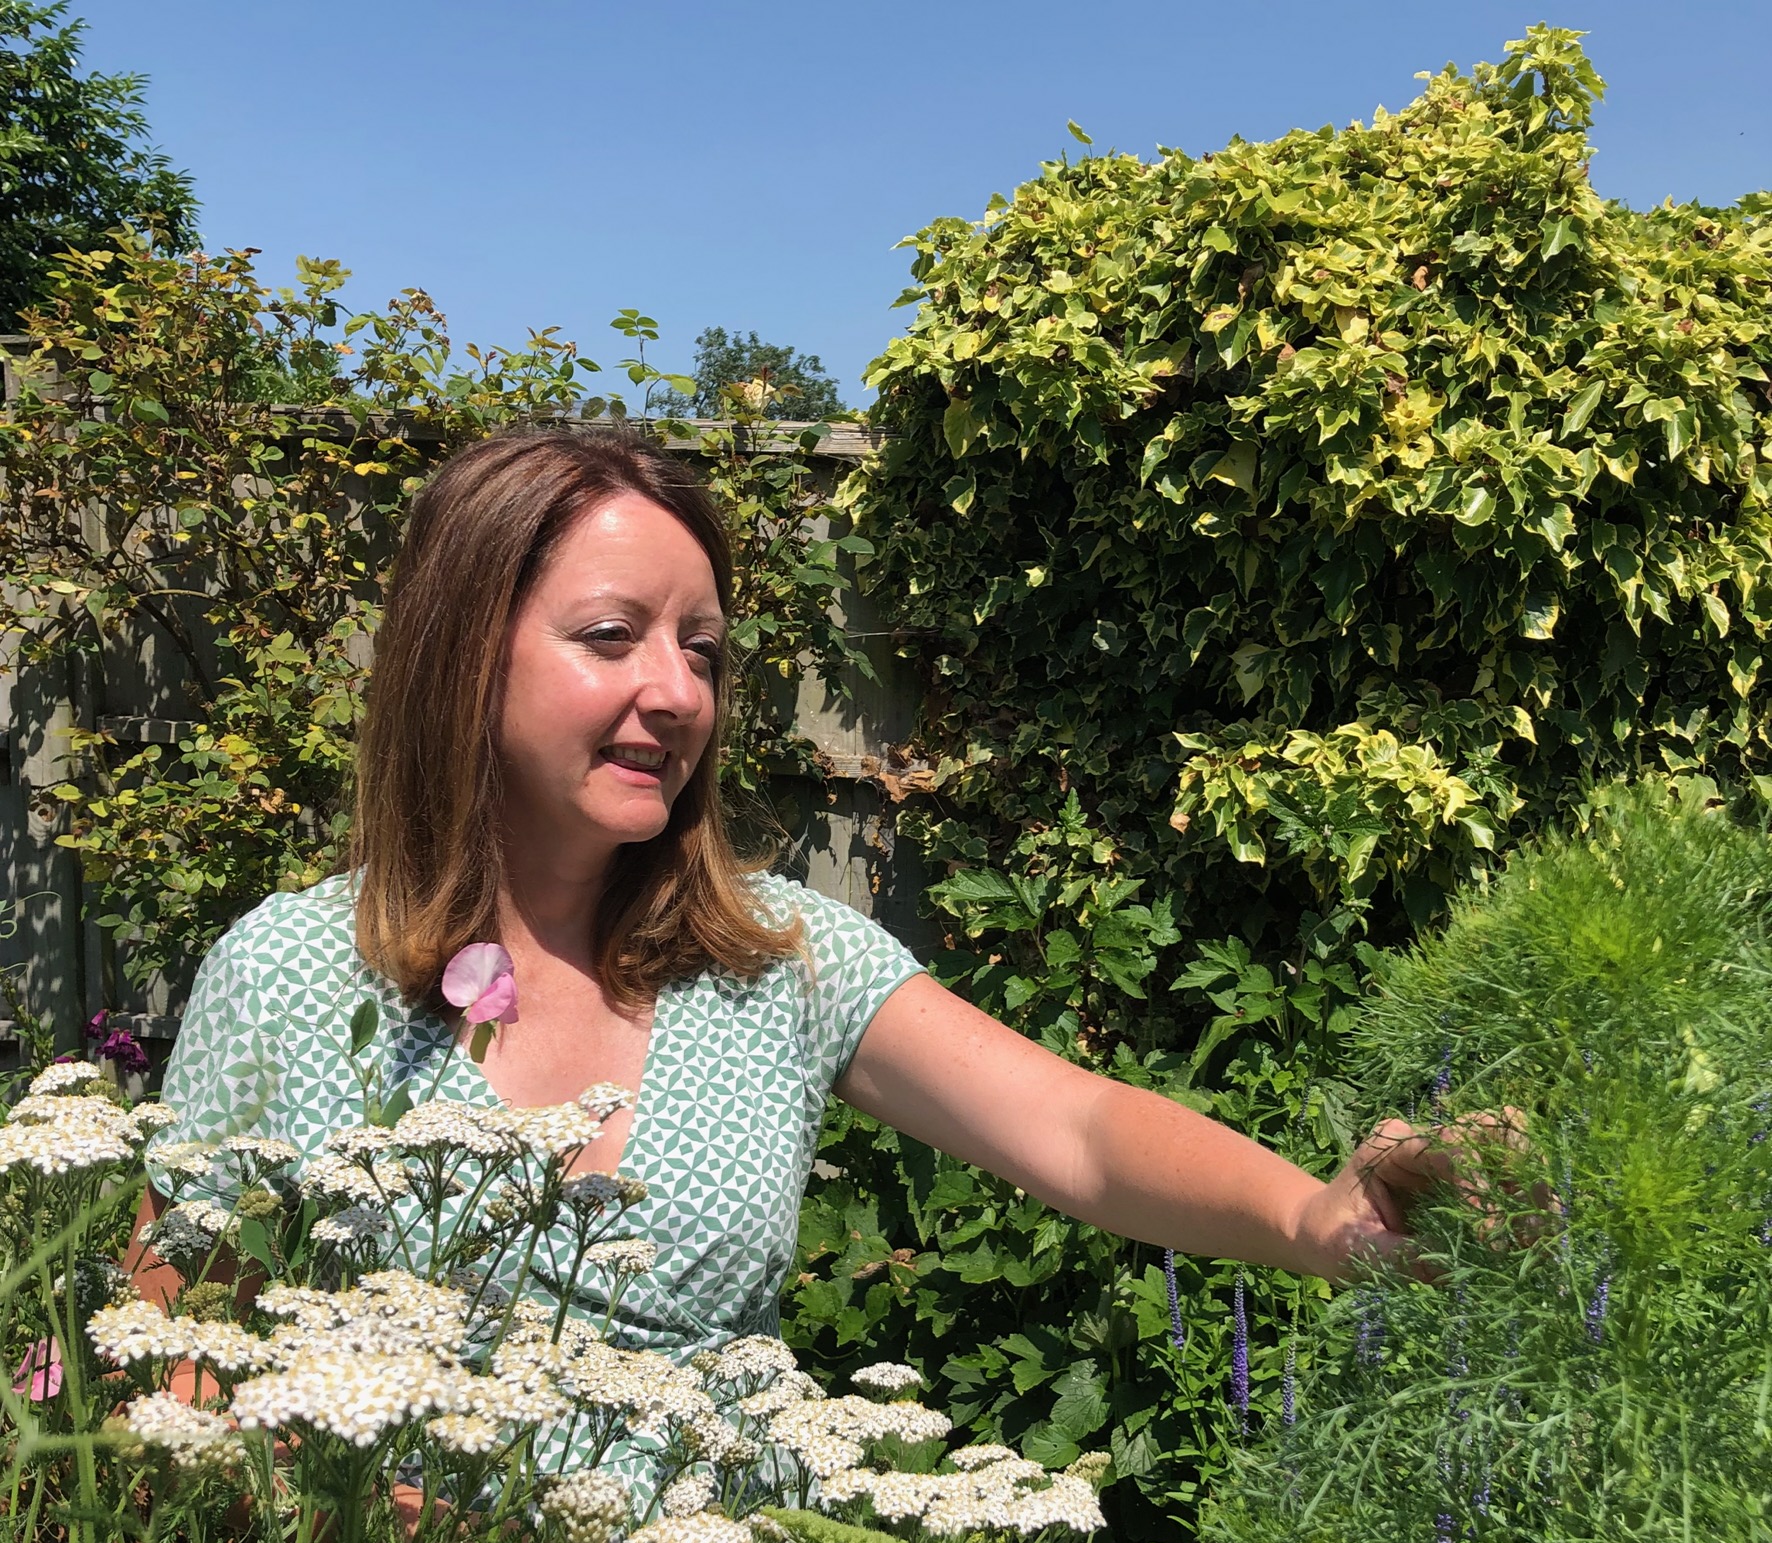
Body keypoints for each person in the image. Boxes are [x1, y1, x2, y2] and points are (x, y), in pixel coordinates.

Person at [134, 427, 1460, 1405]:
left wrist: (1313, 1219)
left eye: (702, 649)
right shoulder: (295, 975)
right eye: (611, 636)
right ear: (463, 653)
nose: (678, 693)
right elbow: (172, 1355)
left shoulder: (775, 959)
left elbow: (1076, 1128)